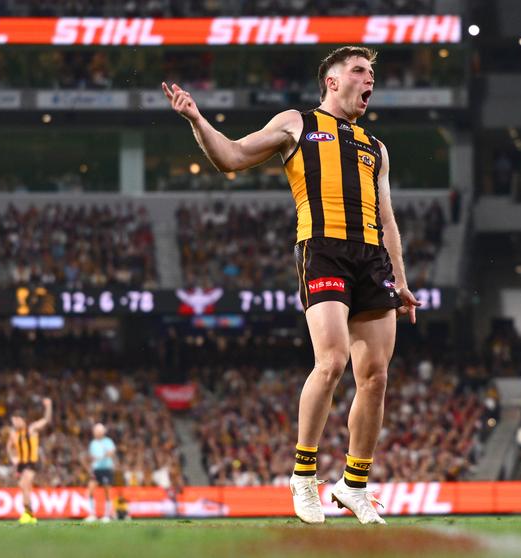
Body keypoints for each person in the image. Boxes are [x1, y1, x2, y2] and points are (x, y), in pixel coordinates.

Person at [162, 45, 421, 526]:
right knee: (332, 360)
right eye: (360, 72)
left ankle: (354, 485)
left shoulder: (375, 147)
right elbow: (232, 158)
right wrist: (198, 120)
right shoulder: (297, 124)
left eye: (372, 74)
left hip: (372, 259)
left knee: (377, 375)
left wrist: (400, 280)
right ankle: (304, 477)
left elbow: (387, 217)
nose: (370, 81)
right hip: (321, 248)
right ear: (332, 81)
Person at [6, 398, 52, 524]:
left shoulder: (31, 429)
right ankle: (30, 515)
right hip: (21, 464)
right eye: (13, 421)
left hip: (32, 462)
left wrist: (48, 406)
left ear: (22, 420)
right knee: (23, 486)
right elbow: (9, 447)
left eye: (16, 420)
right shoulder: (13, 433)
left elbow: (46, 420)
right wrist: (13, 458)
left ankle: (27, 514)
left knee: (25, 484)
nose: (14, 423)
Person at [85, 423, 117, 522]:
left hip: (106, 469)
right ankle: (92, 514)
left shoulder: (108, 441)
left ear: (102, 432)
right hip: (96, 469)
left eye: (97, 431)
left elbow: (112, 452)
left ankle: (107, 515)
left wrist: (104, 455)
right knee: (90, 490)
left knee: (107, 491)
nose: (95, 432)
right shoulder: (93, 443)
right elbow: (91, 457)